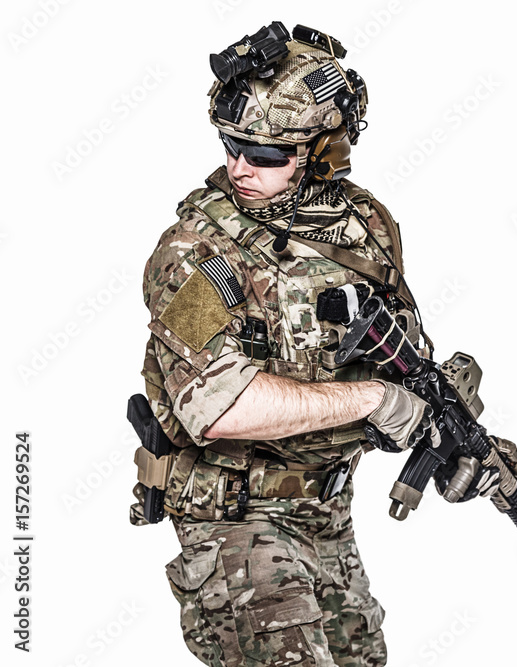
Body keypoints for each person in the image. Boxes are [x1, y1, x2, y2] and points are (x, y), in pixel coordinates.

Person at [134, 22, 447, 667]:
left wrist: (444, 427)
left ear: (323, 152)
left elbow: (399, 350)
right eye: (232, 145)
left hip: (329, 511)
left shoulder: (362, 225)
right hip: (236, 519)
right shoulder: (201, 252)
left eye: (268, 154)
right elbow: (218, 408)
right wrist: (374, 401)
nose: (241, 167)